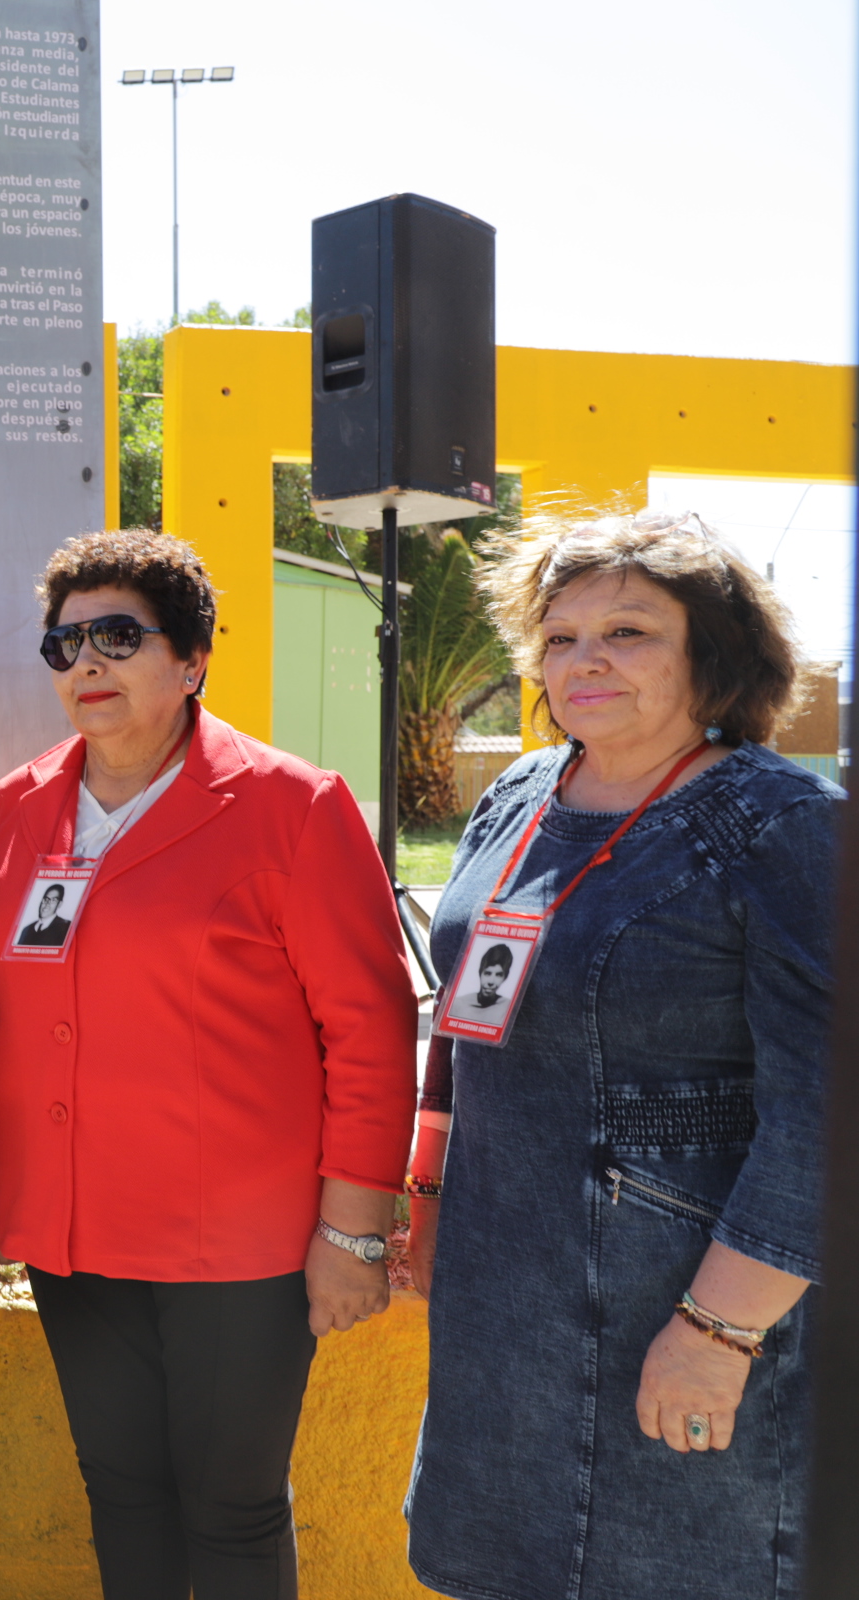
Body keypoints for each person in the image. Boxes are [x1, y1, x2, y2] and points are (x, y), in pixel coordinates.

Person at [0, 529, 416, 1600]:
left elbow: (371, 1029)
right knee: (122, 1494)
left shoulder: (292, 806)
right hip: (72, 1230)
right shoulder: (16, 808)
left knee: (232, 1509)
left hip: (237, 1244)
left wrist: (353, 1228)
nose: (86, 664)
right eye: (62, 644)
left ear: (194, 659)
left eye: (119, 635)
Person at [404, 511, 833, 1600]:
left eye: (630, 630)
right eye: (560, 636)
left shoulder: (785, 825)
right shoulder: (514, 797)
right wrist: (428, 1197)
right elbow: (465, 1020)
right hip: (504, 1303)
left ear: (715, 655)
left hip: (678, 1304)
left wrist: (717, 1330)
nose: (583, 659)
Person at [13, 882, 71, 947]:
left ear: (59, 904)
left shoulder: (66, 927)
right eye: (46, 899)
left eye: (53, 900)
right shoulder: (27, 930)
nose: (47, 903)